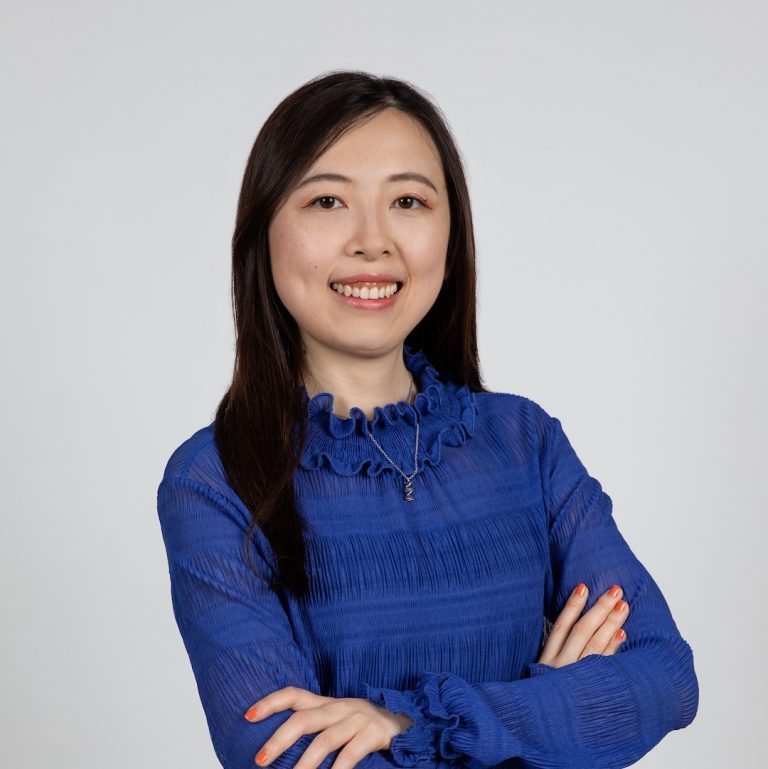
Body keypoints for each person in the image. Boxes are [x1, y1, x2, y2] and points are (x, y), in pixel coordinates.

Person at [156, 70, 699, 769]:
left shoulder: (525, 443)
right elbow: (290, 758)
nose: (372, 241)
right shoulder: (215, 481)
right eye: (327, 201)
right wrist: (549, 710)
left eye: (408, 200)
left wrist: (406, 722)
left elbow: (664, 678)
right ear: (264, 233)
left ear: (452, 232)